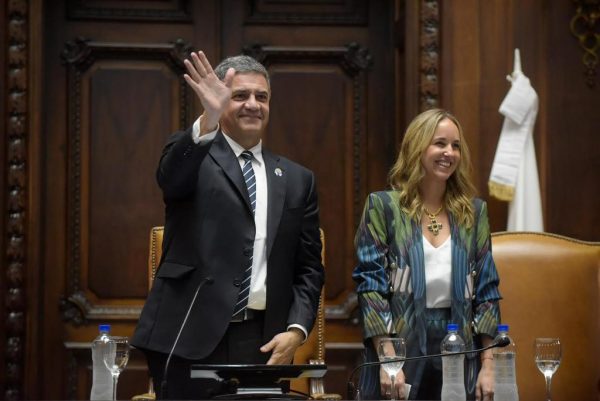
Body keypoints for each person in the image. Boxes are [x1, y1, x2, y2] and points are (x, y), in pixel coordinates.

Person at [131, 51, 325, 399]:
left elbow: (309, 268)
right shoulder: (194, 152)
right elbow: (171, 179)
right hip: (188, 336)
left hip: (262, 342)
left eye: (261, 96)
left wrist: (296, 331)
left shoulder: (299, 180)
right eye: (240, 95)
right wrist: (209, 118)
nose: (253, 104)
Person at [352, 109, 501, 401]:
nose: (449, 153)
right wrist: (388, 360)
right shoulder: (383, 208)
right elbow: (371, 289)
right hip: (400, 346)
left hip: (461, 348)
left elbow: (487, 292)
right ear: (417, 147)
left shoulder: (473, 213)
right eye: (440, 143)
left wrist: (489, 364)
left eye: (456, 146)